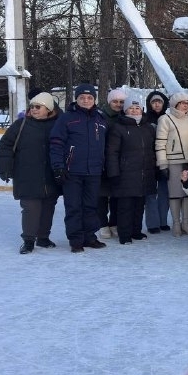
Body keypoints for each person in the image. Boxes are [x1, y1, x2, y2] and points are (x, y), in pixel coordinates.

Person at [0, 92, 61, 254]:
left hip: (50, 175)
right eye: (32, 106)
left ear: (48, 108)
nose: (34, 109)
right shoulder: (21, 124)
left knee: (48, 207)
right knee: (31, 208)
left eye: (38, 107)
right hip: (27, 175)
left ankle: (43, 237)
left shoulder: (58, 124)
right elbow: (5, 146)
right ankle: (28, 240)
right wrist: (4, 168)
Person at [49, 83, 109, 253]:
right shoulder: (67, 118)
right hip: (72, 171)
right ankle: (76, 239)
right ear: (76, 99)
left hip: (94, 171)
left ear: (94, 100)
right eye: (82, 97)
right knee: (74, 206)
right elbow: (56, 143)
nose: (86, 100)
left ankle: (90, 237)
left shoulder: (100, 118)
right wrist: (58, 167)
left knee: (91, 206)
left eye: (89, 97)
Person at [106, 98, 157, 245]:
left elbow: (152, 150)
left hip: (144, 173)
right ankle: (125, 234)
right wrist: (113, 172)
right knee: (125, 207)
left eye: (137, 108)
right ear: (125, 110)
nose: (134, 110)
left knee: (139, 205)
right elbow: (112, 152)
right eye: (131, 108)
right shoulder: (118, 127)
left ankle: (136, 231)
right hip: (125, 174)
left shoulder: (148, 127)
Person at [155, 92, 188, 237]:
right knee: (175, 194)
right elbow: (160, 142)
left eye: (187, 103)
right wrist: (162, 164)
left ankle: (186, 223)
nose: (185, 105)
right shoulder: (166, 119)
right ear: (175, 104)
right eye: (182, 103)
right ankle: (176, 223)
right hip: (174, 161)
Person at [97, 87, 126, 240]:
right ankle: (102, 224)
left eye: (121, 102)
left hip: (119, 161)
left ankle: (113, 222)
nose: (118, 104)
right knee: (102, 195)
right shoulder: (100, 116)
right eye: (115, 101)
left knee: (117, 194)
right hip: (102, 160)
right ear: (109, 102)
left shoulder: (125, 116)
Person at [143, 90, 170, 234]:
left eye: (159, 101)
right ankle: (153, 223)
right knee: (150, 193)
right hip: (149, 160)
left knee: (164, 191)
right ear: (149, 104)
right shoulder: (145, 119)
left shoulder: (169, 118)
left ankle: (163, 221)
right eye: (154, 102)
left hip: (165, 159)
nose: (157, 104)